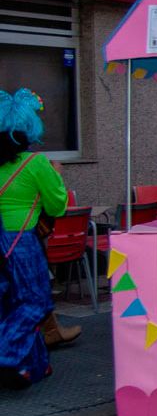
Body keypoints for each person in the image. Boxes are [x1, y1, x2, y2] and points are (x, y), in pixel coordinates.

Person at [0, 89, 70, 388]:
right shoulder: (36, 163)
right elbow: (57, 205)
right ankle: (7, 356)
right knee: (35, 302)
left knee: (7, 303)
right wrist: (56, 175)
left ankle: (33, 365)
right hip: (21, 243)